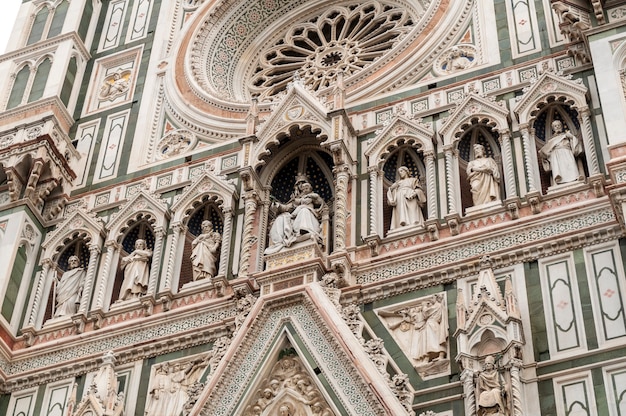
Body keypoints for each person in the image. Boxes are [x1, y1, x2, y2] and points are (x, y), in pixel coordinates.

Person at [265, 175, 326, 254]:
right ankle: (279, 243)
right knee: (280, 218)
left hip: (310, 216)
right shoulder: (295, 200)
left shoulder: (312, 196)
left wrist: (312, 198)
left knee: (304, 210)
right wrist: (278, 205)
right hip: (294, 218)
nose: (301, 186)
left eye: (303, 183)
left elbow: (321, 204)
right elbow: (286, 207)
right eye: (299, 184)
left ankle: (304, 231)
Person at [540, 120, 582, 185]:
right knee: (559, 168)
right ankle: (559, 180)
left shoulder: (566, 135)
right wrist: (548, 155)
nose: (557, 127)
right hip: (556, 156)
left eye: (558, 125)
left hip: (567, 152)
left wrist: (571, 137)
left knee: (571, 165)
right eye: (555, 126)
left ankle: (575, 177)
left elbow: (576, 145)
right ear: (553, 128)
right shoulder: (551, 140)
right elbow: (545, 151)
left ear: (561, 126)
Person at [387, 166, 426, 230]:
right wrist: (392, 189)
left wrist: (414, 193)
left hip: (410, 197)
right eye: (399, 172)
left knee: (413, 212)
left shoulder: (413, 180)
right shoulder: (397, 183)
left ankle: (414, 223)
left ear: (406, 171)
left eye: (401, 171)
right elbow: (390, 192)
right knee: (401, 213)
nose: (400, 173)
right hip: (400, 198)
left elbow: (420, 190)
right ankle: (402, 226)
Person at [412, 294, 448, 363]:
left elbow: (426, 313)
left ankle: (436, 357)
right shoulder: (440, 306)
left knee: (432, 341)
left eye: (433, 298)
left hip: (432, 325)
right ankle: (432, 357)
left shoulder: (437, 306)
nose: (431, 301)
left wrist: (424, 305)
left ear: (436, 299)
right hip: (433, 324)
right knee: (433, 341)